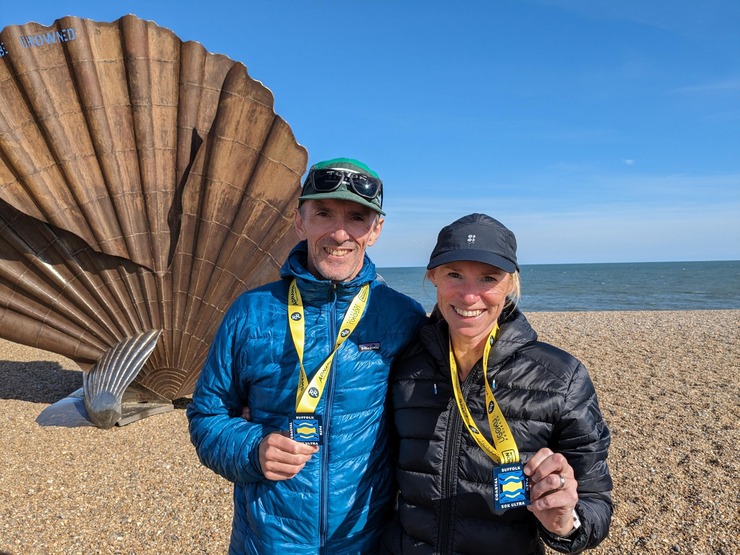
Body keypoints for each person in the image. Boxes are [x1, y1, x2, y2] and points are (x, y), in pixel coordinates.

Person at [187, 158, 427, 554]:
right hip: (268, 540)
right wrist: (253, 449)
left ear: (376, 229)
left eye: (356, 217)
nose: (339, 232)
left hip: (365, 540)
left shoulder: (402, 316)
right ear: (300, 222)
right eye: (324, 214)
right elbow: (206, 415)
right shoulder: (250, 312)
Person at [382, 213, 613, 554]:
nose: (470, 296)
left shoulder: (562, 377)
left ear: (511, 284)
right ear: (433, 277)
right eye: (454, 275)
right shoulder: (403, 362)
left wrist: (564, 521)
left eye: (488, 278)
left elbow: (595, 504)